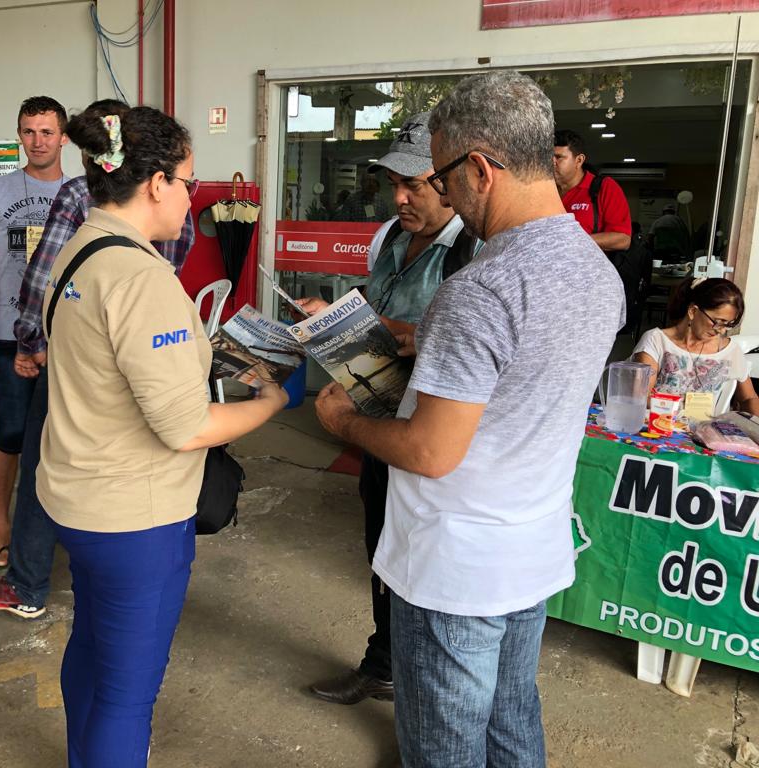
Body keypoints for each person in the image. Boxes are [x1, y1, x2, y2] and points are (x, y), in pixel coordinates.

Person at [314, 71, 624, 767]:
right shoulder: (594, 270)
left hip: (456, 566)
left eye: (444, 178)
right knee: (512, 721)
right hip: (532, 546)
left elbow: (430, 451)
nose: (444, 195)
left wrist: (342, 422)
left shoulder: (480, 288)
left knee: (443, 744)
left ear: (480, 169)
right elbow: (526, 371)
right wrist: (426, 340)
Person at [40, 105, 287, 767]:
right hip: (135, 517)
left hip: (77, 497)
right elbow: (188, 427)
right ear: (155, 184)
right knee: (128, 694)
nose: (190, 197)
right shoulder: (140, 278)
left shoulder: (80, 247)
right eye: (187, 182)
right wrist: (273, 401)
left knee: (92, 649)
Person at [0, 99, 195, 619]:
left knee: (46, 459)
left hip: (75, 356)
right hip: (139, 358)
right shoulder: (168, 215)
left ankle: (28, 585)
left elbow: (41, 277)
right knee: (129, 461)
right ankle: (105, 576)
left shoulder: (80, 196)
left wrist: (30, 343)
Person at [303, 113, 478, 707]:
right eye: (393, 185)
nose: (399, 198)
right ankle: (383, 663)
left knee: (425, 565)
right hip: (379, 421)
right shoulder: (392, 240)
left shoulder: (473, 252)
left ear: (450, 183)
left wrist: (392, 328)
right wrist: (334, 321)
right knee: (382, 548)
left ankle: (427, 696)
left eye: (414, 186)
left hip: (430, 436)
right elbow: (377, 315)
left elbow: (466, 345)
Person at [0, 96, 70, 569]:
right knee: (9, 434)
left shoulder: (83, 193)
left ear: (64, 137)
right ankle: (3, 526)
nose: (37, 141)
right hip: (10, 336)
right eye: (29, 131)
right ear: (19, 135)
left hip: (69, 339)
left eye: (47, 132)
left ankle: (59, 523)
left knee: (66, 438)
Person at [633, 277, 759, 415]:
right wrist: (681, 407)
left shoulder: (730, 350)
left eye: (728, 324)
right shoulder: (656, 341)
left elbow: (749, 398)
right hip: (659, 423)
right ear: (693, 311)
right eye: (718, 322)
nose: (721, 331)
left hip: (704, 427)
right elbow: (640, 397)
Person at [554, 128, 632, 252]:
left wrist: (573, 241)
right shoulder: (543, 190)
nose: (552, 162)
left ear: (579, 160)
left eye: (558, 157)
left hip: (588, 263)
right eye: (548, 157)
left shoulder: (604, 187)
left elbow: (622, 239)